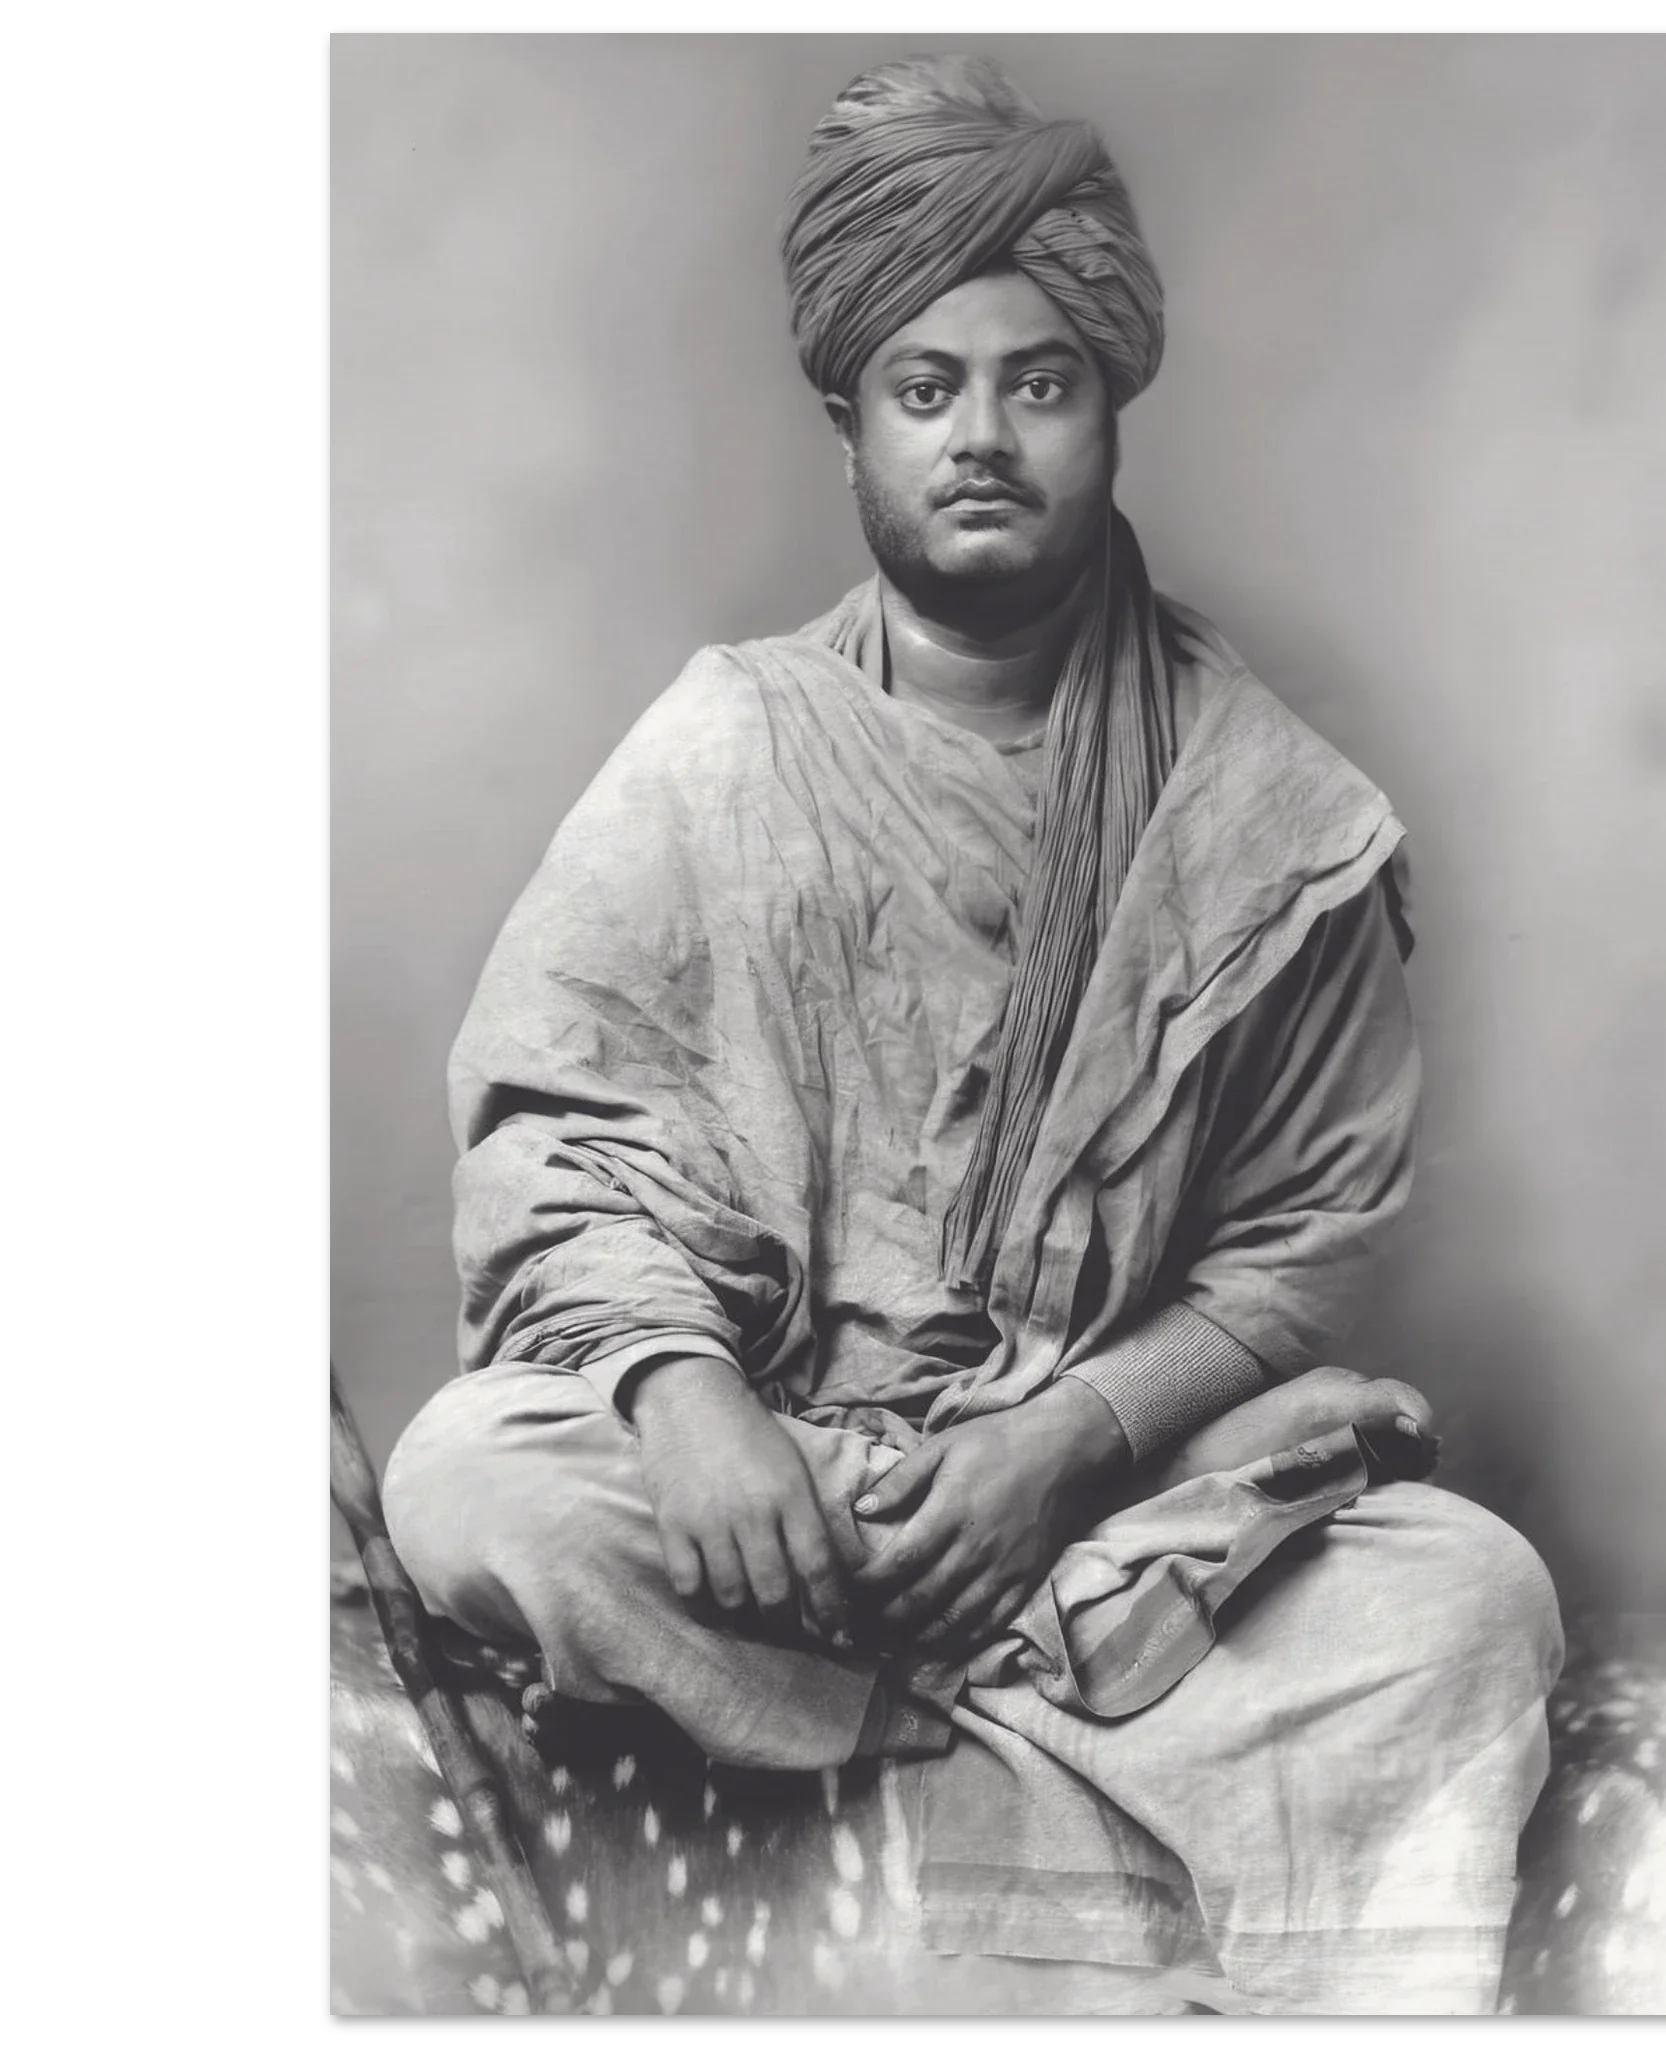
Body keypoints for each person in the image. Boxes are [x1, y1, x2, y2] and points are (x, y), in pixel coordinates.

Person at [381, 52, 1564, 2018]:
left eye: (1039, 381)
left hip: (1106, 1499)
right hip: (792, 1503)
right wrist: (686, 1397)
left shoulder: (1278, 814)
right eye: (926, 391)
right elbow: (555, 1137)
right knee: (473, 1475)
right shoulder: (724, 746)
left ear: (1111, 404)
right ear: (849, 423)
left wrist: (1052, 1449)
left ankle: (910, 1756)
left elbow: (1306, 1247)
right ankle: (1043, 1730)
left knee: (1466, 1596)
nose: (983, 436)